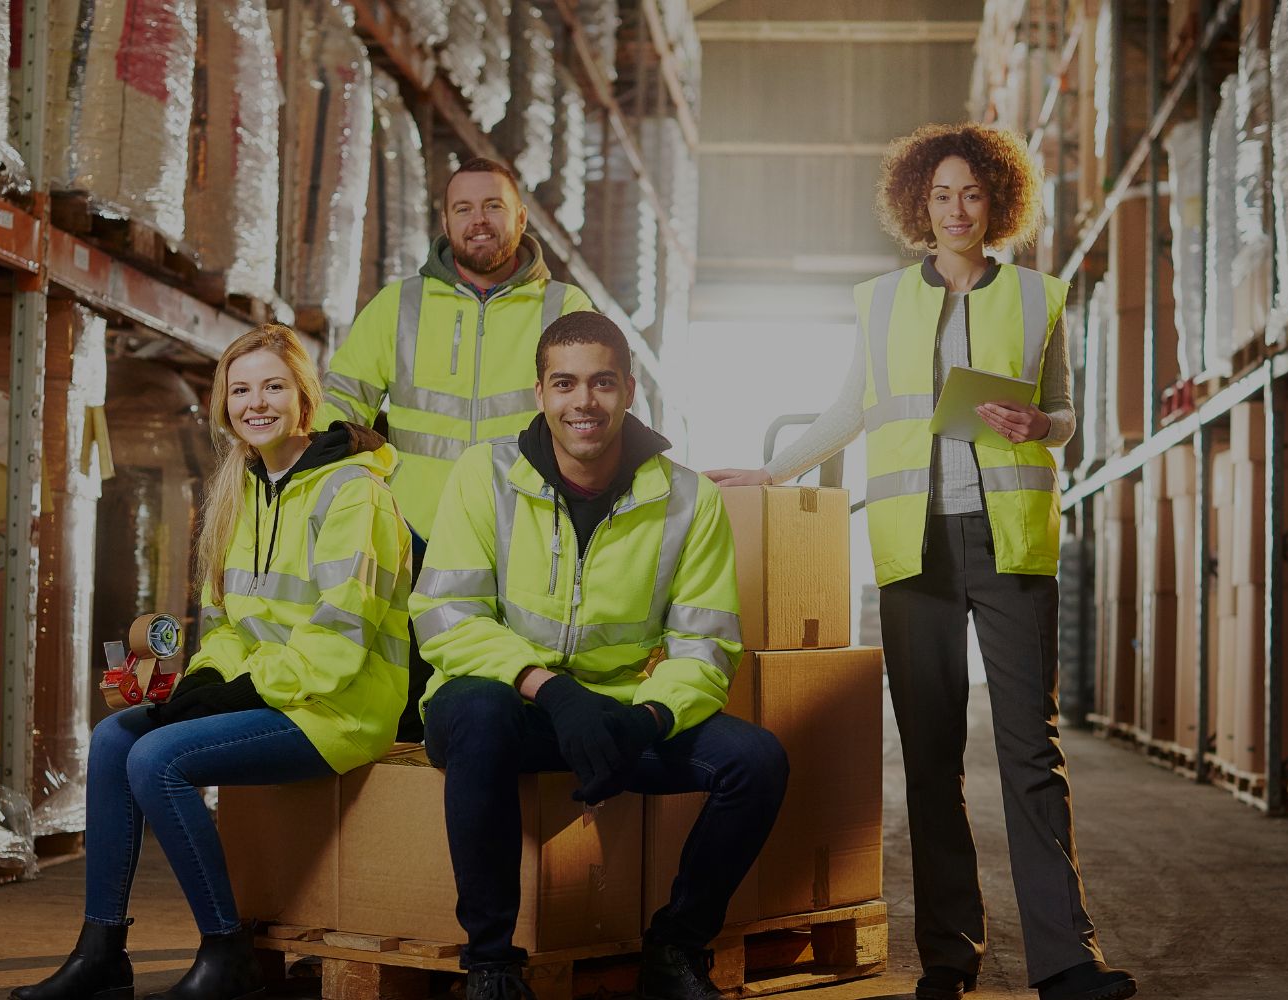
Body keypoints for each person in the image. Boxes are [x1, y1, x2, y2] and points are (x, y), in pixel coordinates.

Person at [707, 123, 1138, 1000]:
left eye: (972, 194)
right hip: (914, 547)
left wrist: (1040, 427)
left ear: (998, 203)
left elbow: (1067, 416)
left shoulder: (1038, 297)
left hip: (1011, 545)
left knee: (1029, 752)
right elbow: (847, 411)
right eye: (941, 195)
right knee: (931, 756)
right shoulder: (880, 302)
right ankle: (949, 956)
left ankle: (1066, 959)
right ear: (918, 203)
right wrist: (773, 470)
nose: (956, 210)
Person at [13, 325, 413, 1000]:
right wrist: (205, 678)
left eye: (273, 387)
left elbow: (338, 642)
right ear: (225, 402)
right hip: (270, 694)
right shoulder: (239, 489)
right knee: (115, 738)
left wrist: (237, 692)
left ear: (305, 398)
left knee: (157, 759)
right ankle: (101, 951)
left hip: (337, 707)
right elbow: (225, 621)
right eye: (241, 389)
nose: (256, 403)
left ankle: (225, 952)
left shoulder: (353, 493)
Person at [412, 312, 788, 1000]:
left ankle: (674, 947)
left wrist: (646, 720)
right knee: (476, 710)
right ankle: (492, 963)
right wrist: (549, 690)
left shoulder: (687, 499)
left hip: (618, 721)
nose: (583, 402)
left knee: (757, 761)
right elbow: (446, 615)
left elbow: (706, 647)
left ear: (629, 391)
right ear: (540, 394)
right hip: (512, 711)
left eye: (601, 383)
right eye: (565, 384)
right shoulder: (484, 474)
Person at [317, 157, 595, 741]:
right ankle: (407, 822)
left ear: (520, 217)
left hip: (521, 535)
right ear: (445, 221)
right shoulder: (401, 305)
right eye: (464, 208)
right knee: (407, 698)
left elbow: (594, 417)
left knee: (501, 693)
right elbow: (339, 401)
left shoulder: (564, 309)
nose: (479, 220)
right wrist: (358, 486)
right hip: (412, 537)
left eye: (494, 206)